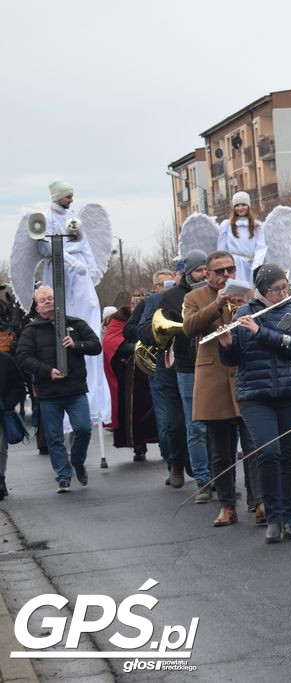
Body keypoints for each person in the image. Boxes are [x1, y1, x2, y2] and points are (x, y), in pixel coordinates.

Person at [218, 264, 291, 543]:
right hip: (255, 395)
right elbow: (236, 359)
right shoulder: (244, 314)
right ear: (261, 290)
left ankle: (290, 518)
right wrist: (226, 345)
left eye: (285, 287)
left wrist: (261, 332)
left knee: (290, 455)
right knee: (269, 452)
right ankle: (273, 517)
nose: (283, 293)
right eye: (276, 289)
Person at [183, 251, 262, 527]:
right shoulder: (194, 298)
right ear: (207, 274)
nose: (226, 275)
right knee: (220, 450)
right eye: (219, 271)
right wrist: (217, 304)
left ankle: (259, 501)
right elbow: (189, 328)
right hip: (213, 379)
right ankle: (227, 505)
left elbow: (260, 326)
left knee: (253, 444)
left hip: (244, 376)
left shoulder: (248, 294)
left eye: (230, 269)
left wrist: (245, 307)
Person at [37, 180, 111, 426]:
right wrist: (69, 262)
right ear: (58, 196)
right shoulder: (46, 217)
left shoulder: (73, 219)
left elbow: (84, 244)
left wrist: (89, 267)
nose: (70, 200)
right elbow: (46, 245)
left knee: (88, 309)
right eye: (67, 196)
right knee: (60, 311)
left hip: (79, 276)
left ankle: (95, 396)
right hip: (60, 270)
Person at [15, 286, 102, 493]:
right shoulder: (31, 330)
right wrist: (47, 371)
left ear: (59, 300)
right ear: (37, 307)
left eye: (51, 298)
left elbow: (96, 345)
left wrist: (76, 344)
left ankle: (78, 462)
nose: (47, 301)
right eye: (43, 300)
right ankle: (63, 476)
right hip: (48, 392)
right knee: (54, 437)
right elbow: (23, 357)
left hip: (75, 389)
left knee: (83, 428)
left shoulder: (75, 323)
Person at [157, 252, 212, 500]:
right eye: (199, 270)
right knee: (194, 426)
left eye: (205, 269)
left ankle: (220, 476)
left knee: (220, 425)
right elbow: (156, 330)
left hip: (215, 365)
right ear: (189, 272)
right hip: (187, 366)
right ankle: (202, 479)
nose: (203, 274)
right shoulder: (170, 297)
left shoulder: (216, 293)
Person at [128, 268, 190, 488]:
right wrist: (159, 334)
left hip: (193, 368)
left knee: (198, 424)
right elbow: (136, 330)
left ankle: (202, 471)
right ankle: (175, 464)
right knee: (172, 425)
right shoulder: (153, 300)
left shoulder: (198, 297)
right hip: (166, 369)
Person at [102, 290, 157, 463]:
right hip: (130, 372)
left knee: (158, 408)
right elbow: (111, 342)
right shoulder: (119, 318)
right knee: (134, 409)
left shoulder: (155, 315)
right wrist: (134, 347)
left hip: (153, 367)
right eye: (135, 303)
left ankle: (166, 445)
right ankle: (138, 445)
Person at [217, 192, 266, 283]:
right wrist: (225, 266)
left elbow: (261, 247)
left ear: (248, 206)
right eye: (237, 205)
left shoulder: (257, 225)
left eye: (243, 205)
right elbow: (222, 250)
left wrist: (257, 265)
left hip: (252, 265)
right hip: (234, 266)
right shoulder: (227, 225)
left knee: (251, 290)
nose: (240, 208)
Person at [0, 349, 26, 501]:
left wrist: (7, 406)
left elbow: (18, 385)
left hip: (1, 412)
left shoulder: (5, 360)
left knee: (0, 446)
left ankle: (0, 479)